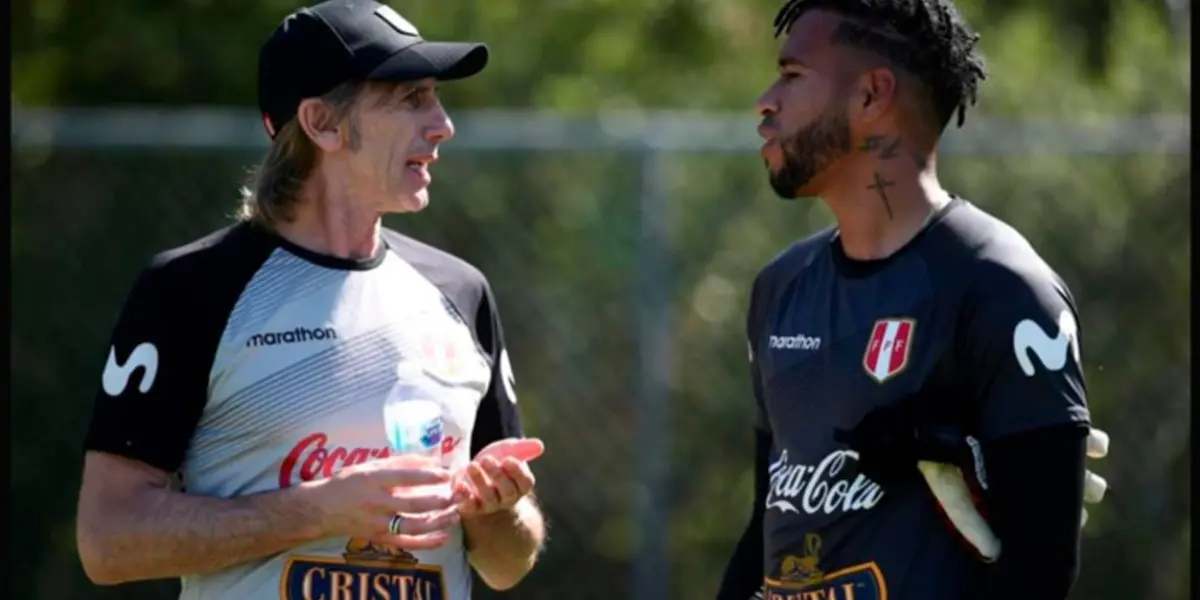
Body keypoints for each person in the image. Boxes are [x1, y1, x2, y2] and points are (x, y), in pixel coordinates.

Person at [73, 2, 546, 599]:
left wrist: (493, 509)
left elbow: (509, 564)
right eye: (410, 98)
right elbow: (108, 539)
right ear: (322, 123)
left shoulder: (460, 291)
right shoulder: (191, 290)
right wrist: (320, 510)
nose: (443, 124)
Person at [714, 1, 1111, 599]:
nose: (765, 101)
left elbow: (1042, 570)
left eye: (792, 77)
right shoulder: (780, 288)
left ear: (872, 96)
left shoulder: (1003, 286)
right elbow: (764, 531)